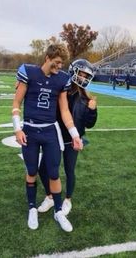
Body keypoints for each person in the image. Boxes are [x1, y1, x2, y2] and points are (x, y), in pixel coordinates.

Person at [12, 44, 83, 232]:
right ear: (47, 57)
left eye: (62, 63)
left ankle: (58, 211)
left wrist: (75, 134)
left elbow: (65, 110)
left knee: (53, 172)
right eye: (57, 62)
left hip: (51, 131)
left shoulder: (62, 79)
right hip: (30, 130)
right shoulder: (29, 72)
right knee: (32, 171)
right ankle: (32, 208)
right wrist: (17, 128)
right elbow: (16, 102)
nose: (60, 66)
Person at [38, 59, 98, 216]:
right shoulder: (60, 90)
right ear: (73, 71)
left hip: (73, 140)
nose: (84, 78)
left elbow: (89, 124)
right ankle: (50, 196)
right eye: (82, 74)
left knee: (69, 170)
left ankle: (68, 199)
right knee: (43, 169)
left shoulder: (86, 99)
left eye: (87, 76)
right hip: (54, 137)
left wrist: (92, 110)